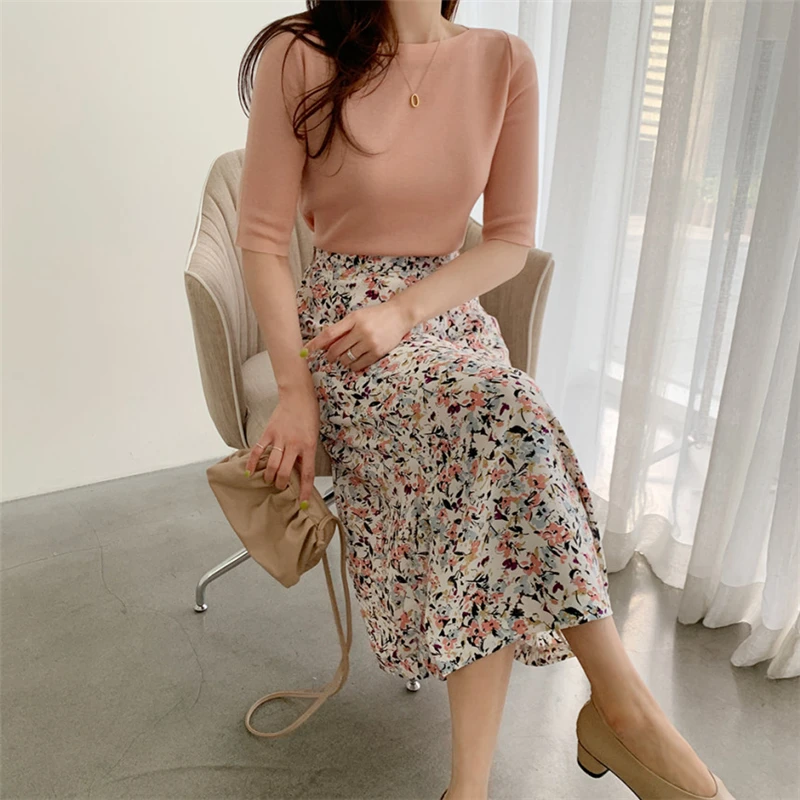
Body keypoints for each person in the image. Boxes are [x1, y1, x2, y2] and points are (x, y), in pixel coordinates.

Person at [237, 2, 734, 799]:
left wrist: (408, 312)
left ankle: (472, 789)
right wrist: (295, 392)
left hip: (445, 321)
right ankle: (624, 711)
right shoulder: (302, 53)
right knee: (505, 415)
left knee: (495, 438)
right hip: (346, 329)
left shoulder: (504, 61)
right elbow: (261, 239)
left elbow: (507, 240)